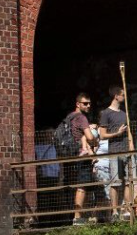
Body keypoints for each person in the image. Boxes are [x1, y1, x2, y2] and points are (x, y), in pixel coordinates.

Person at [54, 93, 98, 223]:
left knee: (71, 185)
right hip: (81, 155)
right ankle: (78, 217)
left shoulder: (69, 117)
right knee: (82, 185)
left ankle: (71, 216)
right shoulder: (81, 117)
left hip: (69, 156)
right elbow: (89, 137)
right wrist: (95, 142)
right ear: (78, 104)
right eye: (85, 103)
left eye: (89, 103)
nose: (88, 105)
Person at [93, 86, 130, 219]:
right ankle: (114, 211)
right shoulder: (106, 113)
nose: (124, 97)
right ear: (116, 96)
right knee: (115, 182)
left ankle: (126, 209)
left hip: (126, 150)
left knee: (128, 181)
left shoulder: (124, 113)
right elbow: (102, 135)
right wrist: (117, 133)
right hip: (114, 151)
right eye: (123, 95)